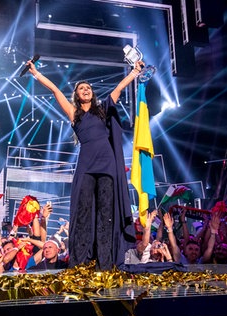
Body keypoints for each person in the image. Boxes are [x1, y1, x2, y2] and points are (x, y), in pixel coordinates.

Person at [26, 58, 141, 270]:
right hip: (86, 165)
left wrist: (134, 73)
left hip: (106, 165)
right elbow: (54, 90)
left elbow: (118, 88)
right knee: (84, 212)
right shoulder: (74, 114)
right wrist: (35, 73)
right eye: (81, 88)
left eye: (88, 87)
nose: (86, 90)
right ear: (77, 95)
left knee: (106, 214)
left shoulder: (103, 109)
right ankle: (81, 261)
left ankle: (105, 263)